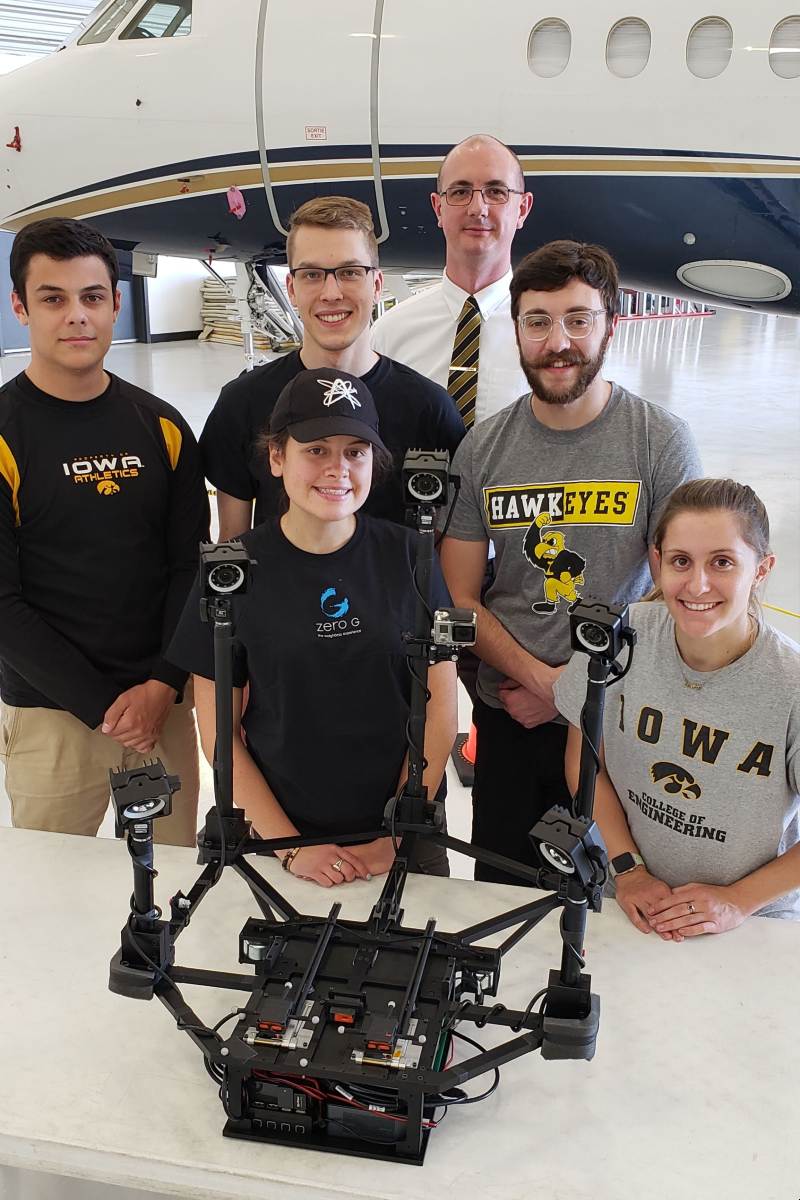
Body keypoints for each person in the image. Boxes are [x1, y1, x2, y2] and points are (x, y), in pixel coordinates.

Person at [439, 240, 702, 883]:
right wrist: (541, 684)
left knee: (618, 902)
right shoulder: (483, 447)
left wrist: (569, 695)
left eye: (578, 320)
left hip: (622, 720)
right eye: (538, 321)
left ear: (609, 323)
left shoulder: (658, 441)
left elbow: (677, 596)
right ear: (517, 329)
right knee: (505, 896)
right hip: (512, 715)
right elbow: (460, 594)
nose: (559, 342)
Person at [168, 367, 457, 886]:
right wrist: (291, 849)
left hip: (402, 838)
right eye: (316, 449)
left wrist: (394, 838)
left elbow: (440, 713)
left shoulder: (411, 557)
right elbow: (219, 734)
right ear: (277, 458)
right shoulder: (231, 571)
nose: (338, 469)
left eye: (355, 452)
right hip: (276, 841)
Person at [0, 217, 208, 845]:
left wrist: (161, 686)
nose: (76, 317)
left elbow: (189, 568)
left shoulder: (162, 426)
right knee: (54, 893)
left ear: (116, 303)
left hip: (160, 711)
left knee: (166, 880)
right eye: (52, 299)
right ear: (20, 307)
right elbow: (3, 604)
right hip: (55, 717)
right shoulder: (6, 434)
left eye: (92, 297)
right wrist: (102, 706)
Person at [555, 478, 800, 933]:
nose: (698, 584)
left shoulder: (792, 684)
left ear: (761, 570)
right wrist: (629, 871)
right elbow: (586, 764)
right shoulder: (614, 638)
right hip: (630, 901)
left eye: (722, 562)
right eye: (681, 561)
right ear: (657, 561)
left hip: (751, 923)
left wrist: (736, 902)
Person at [200, 196, 465, 540]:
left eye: (350, 272)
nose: (330, 293)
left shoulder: (430, 409)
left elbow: (447, 548)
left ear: (377, 285)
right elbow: (234, 546)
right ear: (292, 288)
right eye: (312, 274)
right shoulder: (241, 404)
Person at [371, 134, 533, 427]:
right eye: (460, 192)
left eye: (496, 192)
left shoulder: (547, 336)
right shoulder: (388, 336)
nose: (477, 208)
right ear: (438, 208)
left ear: (522, 209)